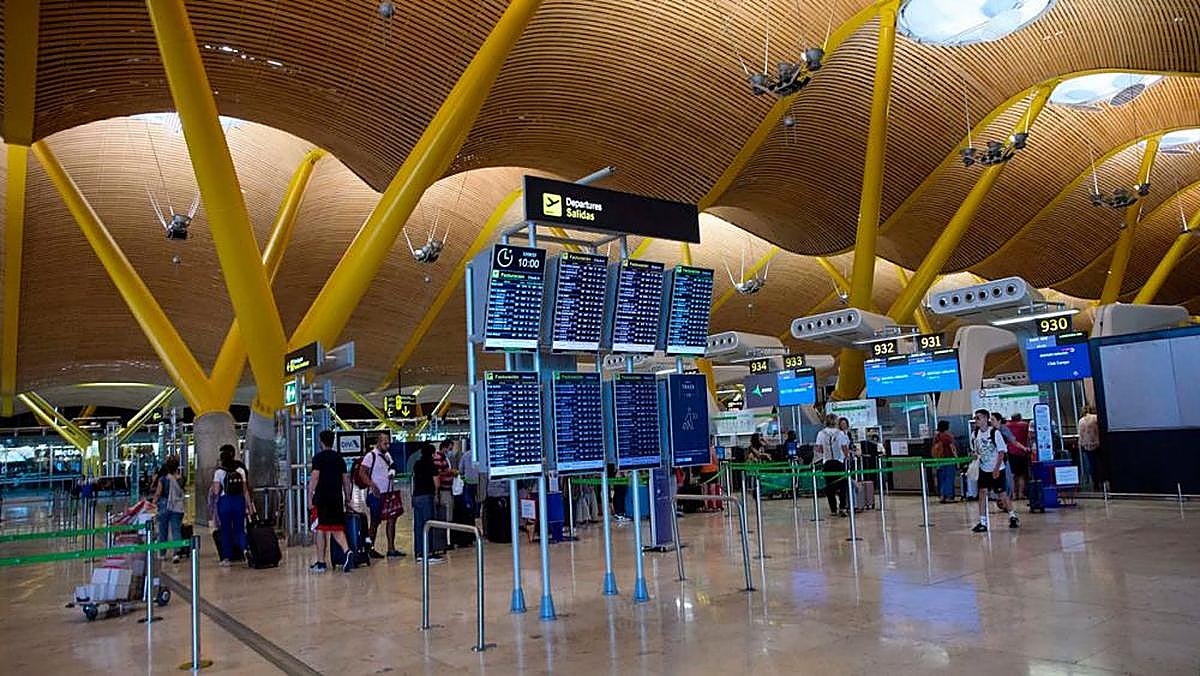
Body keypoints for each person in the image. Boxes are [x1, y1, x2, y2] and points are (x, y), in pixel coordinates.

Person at [309, 430, 354, 573]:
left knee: (320, 528)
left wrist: (310, 496)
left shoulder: (318, 458)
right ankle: (347, 551)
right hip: (336, 498)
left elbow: (315, 478)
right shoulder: (339, 459)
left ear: (321, 441)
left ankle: (321, 562)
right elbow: (346, 481)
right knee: (337, 528)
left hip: (322, 498)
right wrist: (347, 498)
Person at [970, 409, 1019, 532]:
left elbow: (1001, 452)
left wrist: (996, 468)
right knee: (982, 493)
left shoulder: (995, 433)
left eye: (978, 418)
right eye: (975, 418)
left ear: (985, 419)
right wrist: (974, 455)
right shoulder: (975, 434)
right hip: (983, 469)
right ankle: (983, 522)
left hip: (997, 468)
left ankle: (1012, 516)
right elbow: (974, 450)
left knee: (1002, 493)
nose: (976, 420)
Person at [362, 432, 404, 559]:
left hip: (388, 494)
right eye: (385, 443)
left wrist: (392, 471)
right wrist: (372, 485)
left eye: (388, 443)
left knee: (392, 519)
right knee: (375, 522)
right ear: (378, 443)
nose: (387, 445)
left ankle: (391, 549)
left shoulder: (387, 455)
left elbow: (393, 466)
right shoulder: (370, 456)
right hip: (376, 495)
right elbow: (362, 473)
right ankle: (370, 548)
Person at [210, 445, 251, 566]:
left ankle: (226, 558)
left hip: (225, 502)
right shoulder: (240, 470)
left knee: (226, 530)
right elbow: (245, 490)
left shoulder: (219, 472)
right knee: (240, 530)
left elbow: (216, 491)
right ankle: (245, 550)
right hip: (239, 501)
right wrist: (249, 505)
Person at [411, 443, 444, 564]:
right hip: (426, 497)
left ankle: (419, 552)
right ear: (431, 454)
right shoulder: (432, 465)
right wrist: (436, 494)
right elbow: (437, 483)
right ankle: (428, 553)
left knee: (418, 525)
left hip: (416, 496)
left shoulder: (417, 464)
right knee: (428, 524)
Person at [814, 414, 851, 517]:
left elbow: (818, 448)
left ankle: (833, 509)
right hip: (839, 462)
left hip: (827, 463)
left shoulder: (821, 433)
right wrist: (847, 457)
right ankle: (842, 507)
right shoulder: (840, 433)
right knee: (842, 486)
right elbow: (844, 448)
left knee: (830, 487)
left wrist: (824, 452)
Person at [151, 456, 185, 563]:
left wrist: (153, 502)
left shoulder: (163, 479)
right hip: (177, 506)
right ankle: (176, 553)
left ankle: (162, 553)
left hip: (164, 505)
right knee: (176, 529)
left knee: (163, 530)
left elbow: (158, 493)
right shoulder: (180, 479)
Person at [1003, 413, 1032, 500]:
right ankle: (1021, 494)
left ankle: (1014, 494)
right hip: (1022, 452)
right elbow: (1029, 437)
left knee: (1012, 475)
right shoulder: (1025, 425)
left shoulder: (1007, 425)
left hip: (1011, 452)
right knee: (1022, 475)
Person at [932, 420, 958, 503]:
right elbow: (952, 448)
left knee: (942, 479)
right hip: (949, 460)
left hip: (940, 461)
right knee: (949, 478)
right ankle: (949, 497)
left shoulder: (937, 437)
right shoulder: (948, 436)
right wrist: (957, 460)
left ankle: (942, 496)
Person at [1078, 406, 1102, 489]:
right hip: (1097, 444)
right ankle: (1102, 480)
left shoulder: (1081, 421)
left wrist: (1081, 444)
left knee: (1091, 464)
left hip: (1086, 445)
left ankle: (1095, 482)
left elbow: (1081, 435)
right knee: (1099, 463)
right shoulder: (1096, 418)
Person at [699, 437, 723, 511]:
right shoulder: (712, 449)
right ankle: (714, 505)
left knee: (705, 490)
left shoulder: (702, 449)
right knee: (712, 490)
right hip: (712, 470)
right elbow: (715, 460)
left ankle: (706, 506)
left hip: (703, 471)